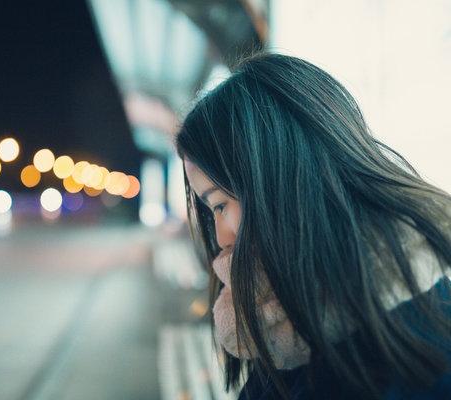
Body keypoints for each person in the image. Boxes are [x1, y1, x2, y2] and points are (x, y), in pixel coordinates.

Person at [175, 52, 451, 399]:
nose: (220, 237)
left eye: (219, 205)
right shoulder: (311, 328)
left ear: (282, 181)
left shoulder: (336, 354)